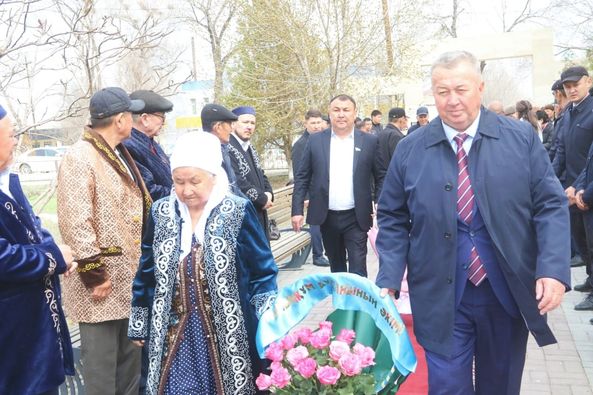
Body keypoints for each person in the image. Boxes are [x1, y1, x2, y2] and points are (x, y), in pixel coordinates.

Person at [376, 51, 570, 394]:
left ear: (479, 88)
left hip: (505, 291)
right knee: (448, 386)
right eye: (442, 91)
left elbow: (550, 205)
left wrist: (552, 269)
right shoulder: (410, 149)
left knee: (500, 385)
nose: (452, 101)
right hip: (439, 292)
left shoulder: (519, 139)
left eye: (461, 89)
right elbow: (392, 215)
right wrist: (390, 274)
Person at [128, 131, 278, 395]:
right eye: (178, 182)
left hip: (230, 331)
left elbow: (263, 271)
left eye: (195, 181)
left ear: (214, 175)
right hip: (172, 327)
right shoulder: (161, 212)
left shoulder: (238, 210)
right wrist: (140, 319)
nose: (186, 190)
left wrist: (267, 322)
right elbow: (147, 269)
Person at [57, 87, 151, 395]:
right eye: (131, 115)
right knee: (100, 376)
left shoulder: (119, 153)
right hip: (100, 288)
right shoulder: (80, 157)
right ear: (121, 119)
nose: (133, 120)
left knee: (129, 372)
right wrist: (95, 274)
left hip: (127, 282)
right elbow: (76, 221)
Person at [0, 104, 77, 394]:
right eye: (11, 134)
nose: (15, 141)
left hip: (34, 334)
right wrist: (54, 257)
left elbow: (32, 229)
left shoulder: (8, 180)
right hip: (11, 340)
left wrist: (58, 253)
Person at [292, 94, 384, 277]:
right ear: (330, 113)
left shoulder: (369, 141)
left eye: (346, 110)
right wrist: (296, 210)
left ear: (355, 113)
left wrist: (380, 203)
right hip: (327, 216)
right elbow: (302, 176)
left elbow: (381, 175)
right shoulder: (316, 140)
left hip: (356, 216)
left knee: (358, 269)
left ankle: (358, 306)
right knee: (337, 270)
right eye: (336, 110)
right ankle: (341, 305)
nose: (341, 115)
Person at [556, 66, 593, 310]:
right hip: (573, 189)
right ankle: (591, 279)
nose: (571, 89)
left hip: (588, 187)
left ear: (588, 81)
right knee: (581, 240)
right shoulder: (569, 112)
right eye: (567, 86)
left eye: (575, 84)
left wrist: (584, 187)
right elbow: (561, 150)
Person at [228, 106, 274, 240]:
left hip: (260, 211)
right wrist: (262, 199)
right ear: (233, 124)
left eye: (252, 123)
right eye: (245, 122)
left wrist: (269, 193)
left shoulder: (250, 147)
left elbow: (261, 174)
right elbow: (237, 181)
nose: (249, 126)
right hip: (245, 214)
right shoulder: (228, 148)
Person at [291, 109, 330, 267]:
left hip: (325, 189)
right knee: (316, 223)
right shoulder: (300, 144)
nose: (316, 126)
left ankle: (329, 251)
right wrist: (305, 196)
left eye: (318, 122)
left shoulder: (324, 139)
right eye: (312, 123)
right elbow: (299, 173)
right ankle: (317, 255)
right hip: (312, 192)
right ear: (306, 124)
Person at [123, 90, 174, 201]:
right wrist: (180, 194)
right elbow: (148, 190)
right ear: (145, 119)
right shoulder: (129, 147)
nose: (163, 123)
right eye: (162, 118)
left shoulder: (150, 142)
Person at [200, 103, 241, 195]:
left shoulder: (223, 149)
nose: (232, 129)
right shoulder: (204, 155)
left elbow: (234, 186)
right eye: (230, 124)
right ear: (218, 127)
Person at [377, 107, 406, 174]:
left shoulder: (381, 133)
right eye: (405, 118)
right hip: (392, 178)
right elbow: (399, 162)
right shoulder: (397, 136)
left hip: (380, 177)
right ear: (401, 119)